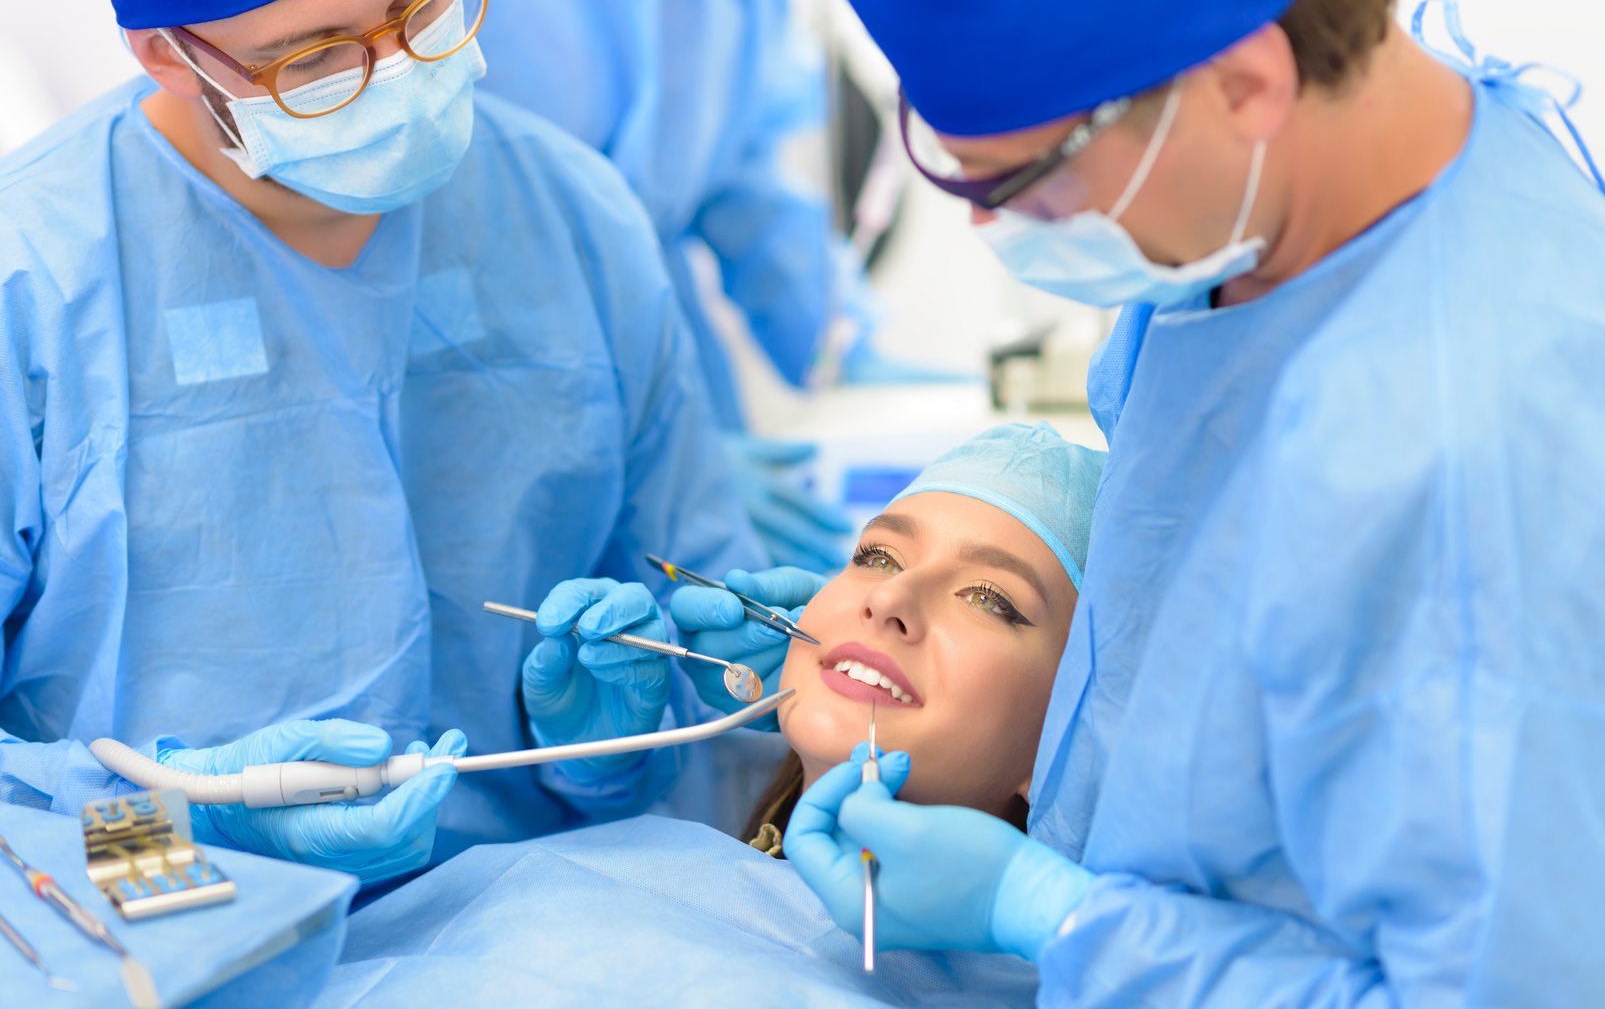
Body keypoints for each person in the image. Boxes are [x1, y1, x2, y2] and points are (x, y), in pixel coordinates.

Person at [691, 0, 1605, 1003]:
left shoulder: (1478, 459)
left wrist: (1055, 915)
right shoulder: (1258, 222)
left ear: (1244, 86)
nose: (999, 226)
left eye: (1030, 177)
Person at [0, 0, 765, 881]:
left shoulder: (571, 215)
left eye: (424, 2)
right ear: (169, 52)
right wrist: (179, 838)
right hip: (164, 947)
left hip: (557, 940)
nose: (401, 73)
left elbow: (725, 670)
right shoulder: (33, 284)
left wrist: (623, 744)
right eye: (317, 59)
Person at [309, 423, 1106, 1005]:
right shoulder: (648, 868)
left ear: (1075, 743)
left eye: (990, 599)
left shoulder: (1096, 969)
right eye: (876, 555)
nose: (889, 599)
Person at [469, 0, 856, 573]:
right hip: (502, 363)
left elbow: (737, 160)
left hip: (667, 345)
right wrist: (647, 449)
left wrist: (836, 337)